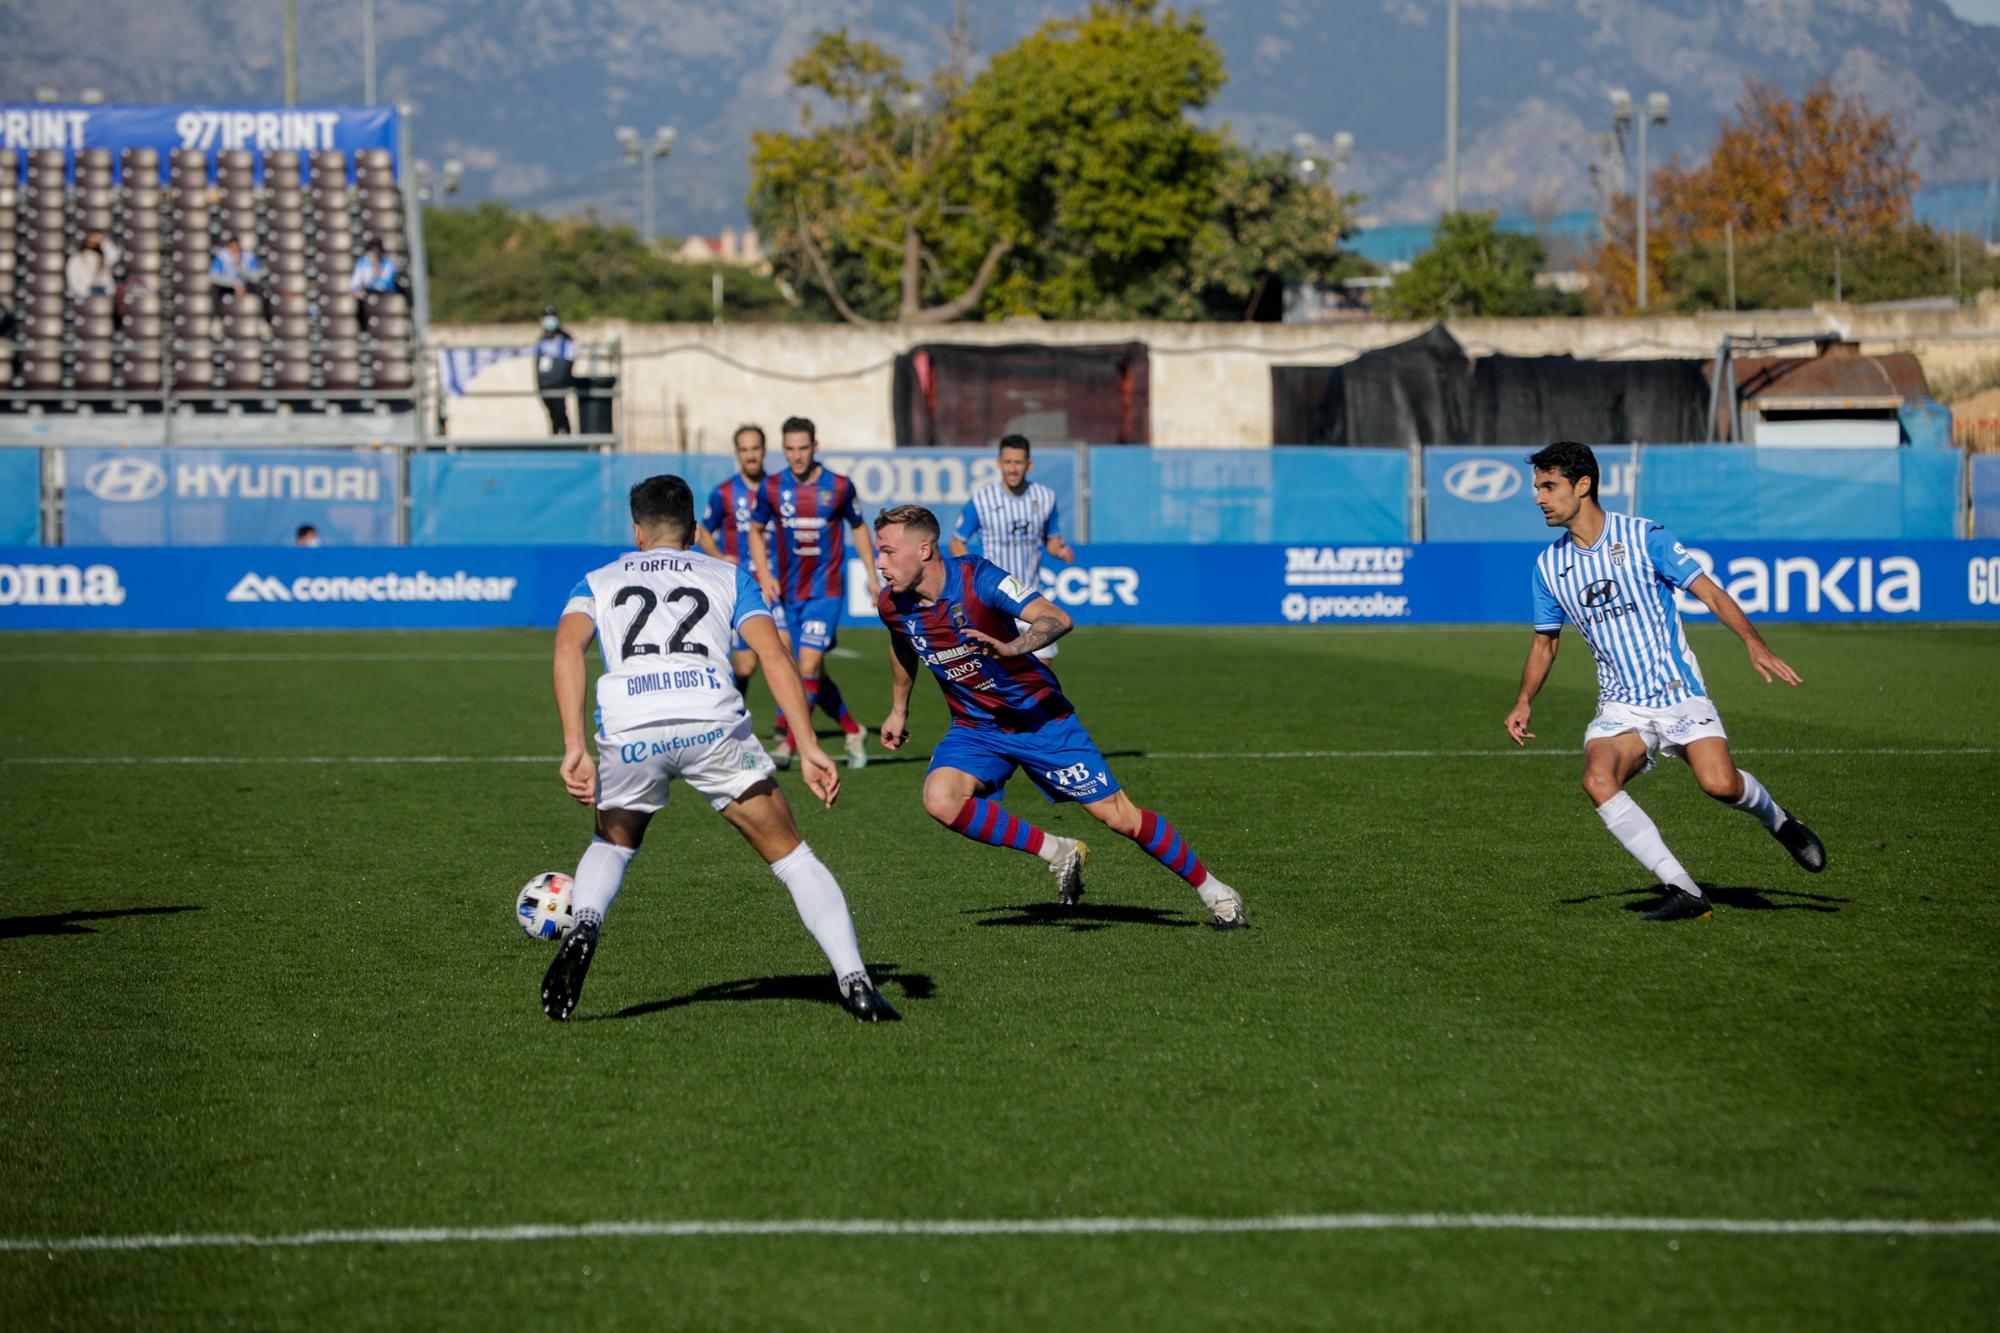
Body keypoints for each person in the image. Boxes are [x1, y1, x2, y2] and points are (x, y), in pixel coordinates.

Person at [543, 474, 898, 1023]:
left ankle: (585, 920)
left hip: (632, 727)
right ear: (692, 529)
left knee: (611, 844)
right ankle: (854, 980)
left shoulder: (598, 579)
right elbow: (775, 657)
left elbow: (568, 648)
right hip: (711, 723)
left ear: (638, 532)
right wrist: (808, 746)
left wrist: (573, 745)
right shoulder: (729, 575)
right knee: (793, 857)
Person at [873, 504, 1247, 928]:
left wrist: (1014, 647)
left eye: (887, 551)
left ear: (924, 549)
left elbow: (1057, 618)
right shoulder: (892, 605)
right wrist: (899, 708)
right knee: (940, 799)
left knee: (1119, 817)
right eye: (878, 552)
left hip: (1039, 721)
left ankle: (1214, 890)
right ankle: (1058, 850)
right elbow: (902, 643)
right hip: (976, 727)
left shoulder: (979, 579)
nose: (880, 562)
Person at [1502, 441, 1827, 922]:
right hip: (1621, 706)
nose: (1539, 498)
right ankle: (1685, 890)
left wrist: (1754, 644)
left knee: (1719, 785)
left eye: (1549, 486)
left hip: (1677, 693)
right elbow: (1545, 644)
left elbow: (1710, 594)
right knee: (1596, 779)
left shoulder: (1643, 536)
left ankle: (1777, 819)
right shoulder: (1549, 567)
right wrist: (1524, 699)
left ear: (1583, 485)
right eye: (1537, 487)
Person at [746, 417, 873, 770]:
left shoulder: (839, 486)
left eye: (803, 448)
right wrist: (766, 574)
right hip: (786, 591)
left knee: (810, 663)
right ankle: (851, 729)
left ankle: (790, 743)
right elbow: (755, 531)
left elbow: (859, 527)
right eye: (790, 449)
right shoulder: (771, 488)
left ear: (816, 447)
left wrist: (873, 574)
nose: (797, 456)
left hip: (825, 590)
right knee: (799, 666)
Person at [949, 434, 1075, 662]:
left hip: (1032, 600)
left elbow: (1052, 539)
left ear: (1029, 464)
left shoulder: (1045, 497)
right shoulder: (981, 500)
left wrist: (1060, 551)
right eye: (1008, 462)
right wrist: (971, 577)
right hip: (994, 602)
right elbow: (957, 541)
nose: (1013, 469)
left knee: (1043, 672)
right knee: (998, 677)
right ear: (999, 463)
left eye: (1018, 463)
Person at [695, 424, 789, 710]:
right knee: (745, 666)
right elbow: (702, 531)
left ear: (764, 451)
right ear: (737, 453)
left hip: (775, 583)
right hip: (741, 586)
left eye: (755, 449)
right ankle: (732, 713)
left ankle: (785, 726)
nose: (750, 456)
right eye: (744, 450)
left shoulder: (780, 488)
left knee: (785, 652)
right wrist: (720, 556)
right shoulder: (723, 492)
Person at [533, 307, 576, 435]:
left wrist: (564, 379)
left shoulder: (565, 338)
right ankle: (556, 439)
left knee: (559, 413)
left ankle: (564, 440)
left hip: (558, 383)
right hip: (544, 384)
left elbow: (569, 360)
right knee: (552, 414)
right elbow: (538, 364)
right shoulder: (542, 339)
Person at [65, 232, 120, 302]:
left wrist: (104, 240)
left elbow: (114, 255)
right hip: (84, 296)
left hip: (103, 294)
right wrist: (86, 292)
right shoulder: (75, 259)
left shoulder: (103, 257)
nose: (92, 243)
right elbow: (73, 280)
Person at [208, 237, 264, 303]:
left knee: (259, 288)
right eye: (232, 248)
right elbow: (214, 277)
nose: (235, 251)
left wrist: (240, 267)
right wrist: (234, 284)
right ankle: (216, 312)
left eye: (237, 248)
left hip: (246, 285)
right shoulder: (221, 256)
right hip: (228, 285)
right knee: (215, 289)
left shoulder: (249, 256)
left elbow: (256, 277)